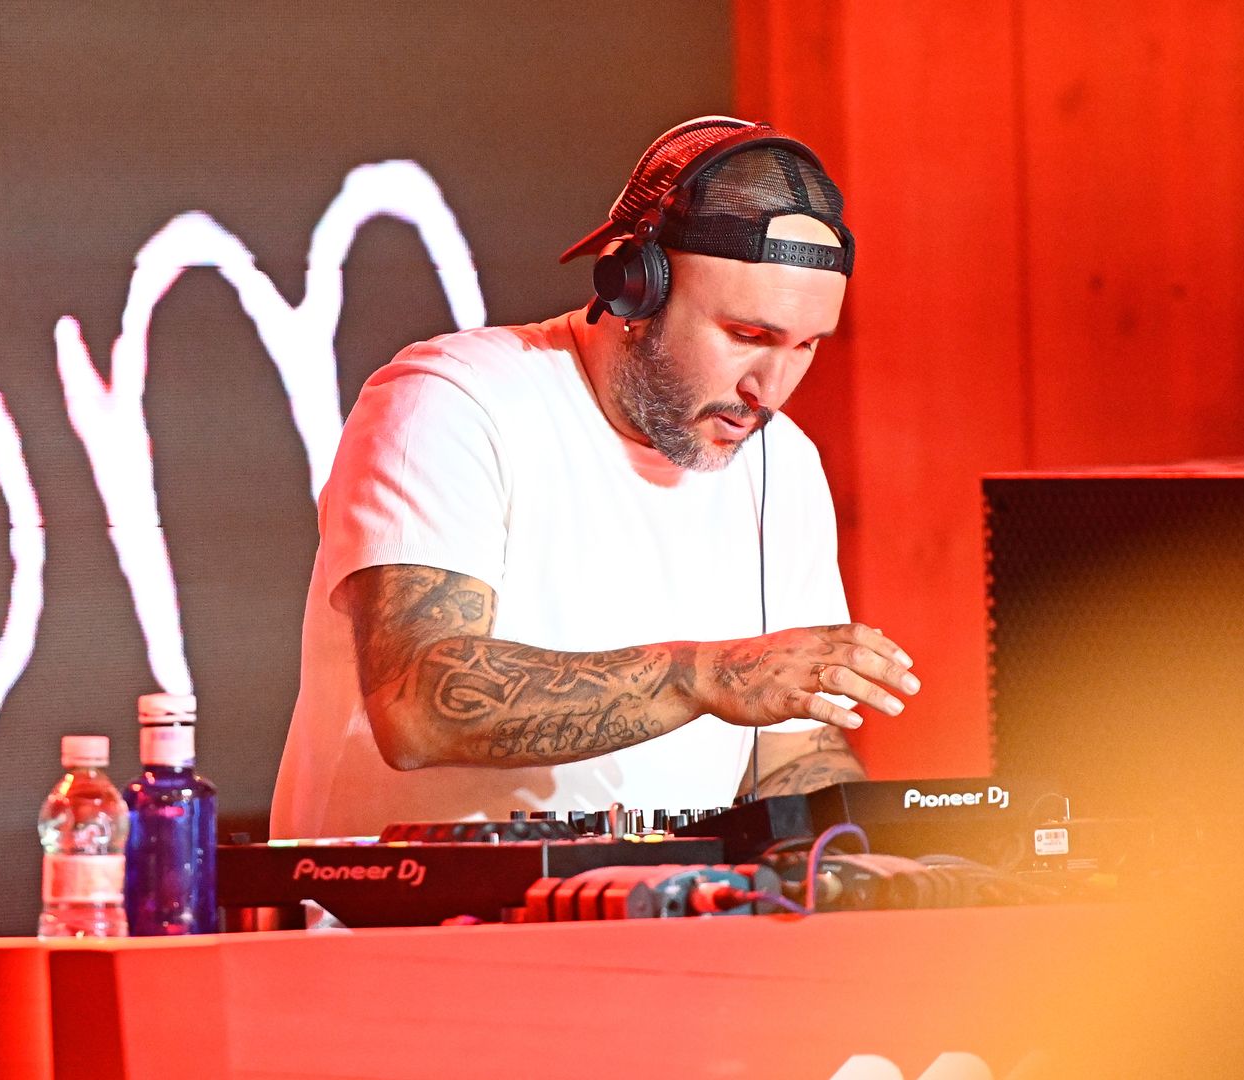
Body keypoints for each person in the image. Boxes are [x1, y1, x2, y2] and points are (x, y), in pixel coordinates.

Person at [270, 116, 921, 839]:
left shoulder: (783, 462)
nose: (769, 389)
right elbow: (416, 703)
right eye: (747, 336)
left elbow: (788, 753)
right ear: (634, 292)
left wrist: (879, 853)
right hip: (401, 907)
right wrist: (704, 675)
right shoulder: (453, 401)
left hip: (659, 905)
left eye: (805, 347)